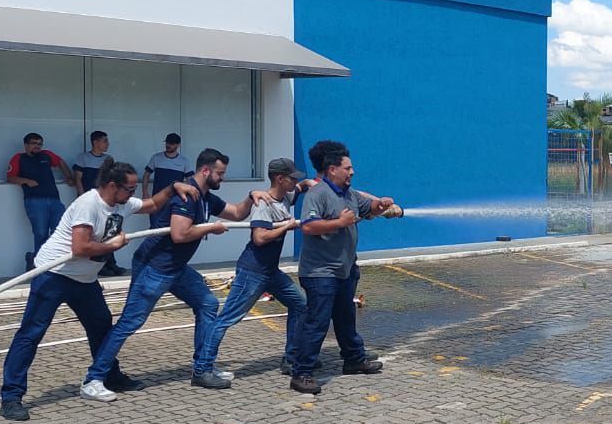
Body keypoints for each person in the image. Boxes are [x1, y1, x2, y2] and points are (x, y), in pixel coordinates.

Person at [0, 160, 200, 421]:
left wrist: (173, 187)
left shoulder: (122, 203)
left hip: (85, 280)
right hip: (54, 276)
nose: (133, 193)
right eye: (129, 188)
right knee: (31, 333)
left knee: (102, 327)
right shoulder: (88, 204)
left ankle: (110, 376)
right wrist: (114, 245)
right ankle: (11, 396)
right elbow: (80, 248)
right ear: (112, 186)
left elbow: (152, 204)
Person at [81, 148, 264, 399]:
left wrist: (251, 196)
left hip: (177, 269)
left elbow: (236, 213)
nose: (223, 178)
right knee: (130, 322)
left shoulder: (206, 197)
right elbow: (180, 234)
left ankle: (202, 369)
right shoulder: (186, 196)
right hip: (154, 267)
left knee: (208, 303)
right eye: (220, 173)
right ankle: (94, 379)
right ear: (206, 170)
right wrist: (210, 228)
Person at [289, 140, 401, 395]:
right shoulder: (318, 194)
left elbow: (366, 208)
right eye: (347, 168)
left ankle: (353, 360)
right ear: (331, 170)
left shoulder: (349, 193)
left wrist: (379, 204)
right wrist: (339, 222)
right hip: (320, 272)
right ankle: (302, 372)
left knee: (346, 318)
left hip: (345, 269)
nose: (352, 172)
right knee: (317, 322)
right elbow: (307, 226)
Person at [194, 157, 312, 382]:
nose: (295, 182)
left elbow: (301, 188)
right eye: (291, 178)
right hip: (252, 271)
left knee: (301, 305)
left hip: (271, 272)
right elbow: (259, 238)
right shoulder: (263, 205)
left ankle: (291, 358)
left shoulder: (286, 195)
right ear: (280, 179)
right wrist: (286, 227)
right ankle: (202, 369)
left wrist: (311, 184)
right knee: (227, 318)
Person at [6, 133, 76, 273]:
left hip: (54, 199)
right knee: (41, 233)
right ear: (26, 145)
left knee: (60, 231)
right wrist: (26, 181)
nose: (37, 146)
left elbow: (60, 162)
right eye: (33, 143)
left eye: (39, 144)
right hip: (34, 200)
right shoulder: (19, 158)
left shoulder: (46, 155)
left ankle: (55, 263)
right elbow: (10, 177)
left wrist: (68, 177)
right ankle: (39, 264)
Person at [73, 131, 124, 277]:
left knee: (109, 231)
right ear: (95, 142)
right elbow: (78, 178)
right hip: (90, 201)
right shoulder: (83, 158)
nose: (107, 144)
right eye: (104, 141)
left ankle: (111, 263)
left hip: (105, 201)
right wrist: (82, 195)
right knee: (94, 234)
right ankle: (99, 265)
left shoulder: (108, 159)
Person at [142, 133, 189, 227]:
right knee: (155, 227)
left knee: (172, 228)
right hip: (157, 200)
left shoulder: (184, 161)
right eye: (167, 142)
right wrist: (145, 192)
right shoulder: (156, 158)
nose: (168, 145)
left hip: (175, 201)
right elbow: (146, 175)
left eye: (171, 143)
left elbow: (189, 180)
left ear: (178, 145)